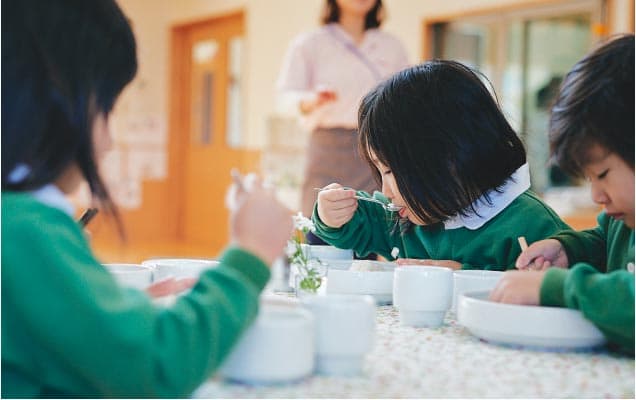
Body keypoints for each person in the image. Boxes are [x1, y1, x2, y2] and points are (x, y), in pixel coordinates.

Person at [1, 0, 293, 397]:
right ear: (50, 102)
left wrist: (100, 308)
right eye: (106, 110)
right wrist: (250, 255)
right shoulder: (24, 229)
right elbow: (156, 367)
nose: (108, 141)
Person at [312, 60, 571, 269]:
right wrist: (331, 215)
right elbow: (354, 228)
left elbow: (555, 291)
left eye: (390, 171)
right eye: (379, 170)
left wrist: (461, 276)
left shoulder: (531, 224)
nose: (386, 192)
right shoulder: (406, 216)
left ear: (450, 157)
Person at [489, 34, 634, 355]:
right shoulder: (623, 220)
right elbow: (606, 243)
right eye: (588, 179)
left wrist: (555, 286)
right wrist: (568, 250)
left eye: (603, 175)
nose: (597, 195)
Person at [276, 0, 409, 243]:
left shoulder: (391, 46)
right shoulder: (310, 43)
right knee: (321, 225)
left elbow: (406, 94)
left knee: (372, 226)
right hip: (328, 149)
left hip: (377, 148)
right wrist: (311, 100)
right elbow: (285, 98)